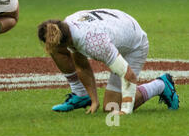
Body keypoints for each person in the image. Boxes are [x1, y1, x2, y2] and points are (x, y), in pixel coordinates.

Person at [37, 9, 179, 114]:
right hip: (119, 26)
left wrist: (125, 111)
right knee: (59, 52)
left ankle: (161, 85)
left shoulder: (94, 43)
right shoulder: (68, 25)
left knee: (111, 106)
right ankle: (81, 96)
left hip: (135, 45)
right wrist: (94, 100)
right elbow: (81, 66)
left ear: (62, 42)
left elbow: (128, 75)